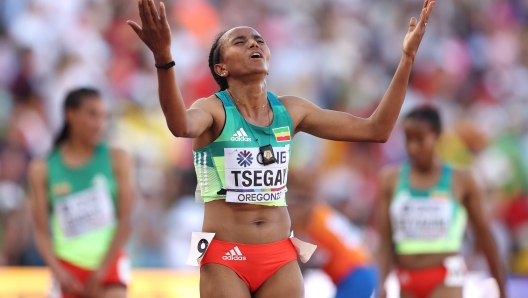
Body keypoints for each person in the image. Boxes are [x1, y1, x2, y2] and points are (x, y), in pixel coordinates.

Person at [127, 0, 435, 296]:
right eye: (240, 41)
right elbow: (180, 126)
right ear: (221, 69)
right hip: (226, 257)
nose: (253, 44)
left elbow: (376, 130)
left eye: (259, 39)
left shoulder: (292, 111)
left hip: (280, 257)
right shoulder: (213, 110)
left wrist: (407, 58)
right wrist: (163, 58)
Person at [377, 106, 507, 298]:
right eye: (408, 139)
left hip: (447, 276)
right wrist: (382, 282)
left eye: (420, 139)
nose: (412, 147)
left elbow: (485, 235)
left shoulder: (462, 179)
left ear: (437, 136)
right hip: (406, 277)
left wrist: (501, 288)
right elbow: (385, 241)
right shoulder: (390, 179)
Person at [28, 88, 135, 298]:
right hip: (67, 269)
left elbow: (126, 221)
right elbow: (40, 232)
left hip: (110, 263)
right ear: (70, 114)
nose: (100, 123)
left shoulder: (118, 158)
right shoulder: (43, 168)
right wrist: (58, 272)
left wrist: (102, 270)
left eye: (104, 116)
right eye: (92, 114)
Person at [287, 171, 378, 298]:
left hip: (354, 274)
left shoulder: (310, 219)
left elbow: (298, 263)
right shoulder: (320, 213)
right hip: (362, 270)